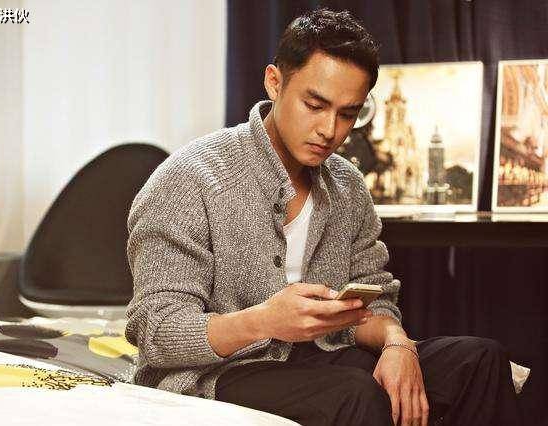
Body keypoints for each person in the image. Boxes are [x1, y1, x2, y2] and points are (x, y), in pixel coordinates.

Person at [125, 8, 522, 426]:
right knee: (356, 393)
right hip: (219, 373)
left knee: (480, 360)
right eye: (314, 105)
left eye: (348, 114)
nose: (329, 130)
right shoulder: (190, 178)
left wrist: (396, 342)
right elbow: (156, 331)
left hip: (321, 358)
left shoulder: (347, 185)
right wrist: (264, 321)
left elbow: (374, 297)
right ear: (274, 82)